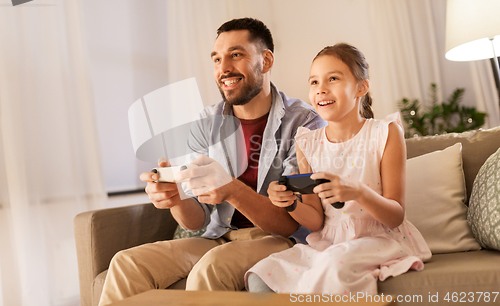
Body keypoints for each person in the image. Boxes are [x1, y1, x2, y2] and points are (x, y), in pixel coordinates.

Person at [98, 18, 326, 305]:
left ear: (266, 61)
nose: (224, 68)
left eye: (236, 55)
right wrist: (176, 198)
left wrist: (231, 189)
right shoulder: (206, 122)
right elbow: (197, 221)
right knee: (126, 263)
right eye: (217, 59)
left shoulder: (305, 123)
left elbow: (289, 224)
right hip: (217, 235)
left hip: (279, 239)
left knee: (211, 268)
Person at [245, 43, 431, 295]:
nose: (321, 89)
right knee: (263, 273)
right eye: (314, 82)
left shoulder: (384, 133)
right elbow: (315, 220)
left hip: (379, 239)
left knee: (333, 264)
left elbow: (395, 216)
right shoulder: (307, 143)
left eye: (332, 78)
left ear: (361, 87)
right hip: (330, 243)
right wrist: (290, 204)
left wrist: (358, 192)